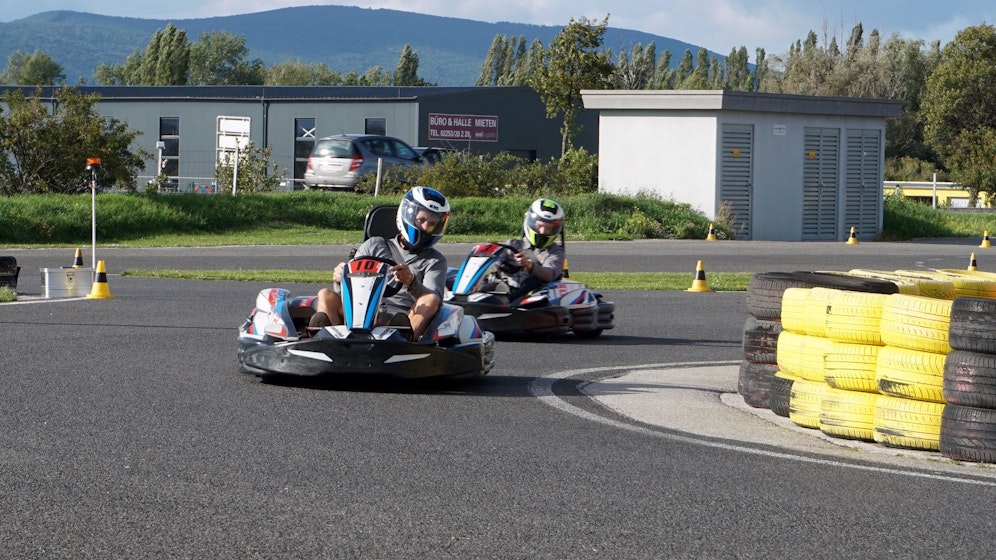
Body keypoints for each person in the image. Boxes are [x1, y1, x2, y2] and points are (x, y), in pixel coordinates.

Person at [309, 186, 450, 341]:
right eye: (421, 220)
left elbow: (433, 301)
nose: (425, 227)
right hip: (360, 310)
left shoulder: (435, 261)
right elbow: (348, 287)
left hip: (402, 317)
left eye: (432, 223)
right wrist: (340, 278)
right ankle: (327, 341)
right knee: (325, 294)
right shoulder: (375, 245)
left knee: (430, 299)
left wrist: (412, 282)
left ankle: (403, 340)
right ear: (408, 216)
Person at [494, 198, 566, 300]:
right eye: (540, 225)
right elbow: (495, 261)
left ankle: (510, 300)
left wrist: (529, 265)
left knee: (532, 281)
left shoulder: (555, 252)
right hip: (504, 291)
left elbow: (549, 274)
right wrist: (486, 254)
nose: (542, 231)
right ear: (531, 222)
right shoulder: (512, 245)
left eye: (548, 228)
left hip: (534, 300)